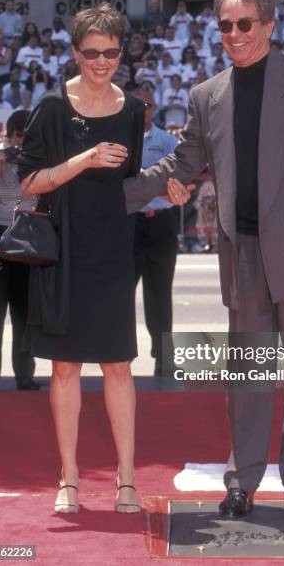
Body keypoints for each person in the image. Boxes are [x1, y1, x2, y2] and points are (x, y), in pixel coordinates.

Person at [123, 0, 284, 519]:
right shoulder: (207, 94)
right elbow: (181, 166)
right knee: (249, 380)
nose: (234, 34)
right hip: (245, 254)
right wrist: (113, 194)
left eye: (244, 24)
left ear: (269, 24)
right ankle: (243, 483)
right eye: (225, 25)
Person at [17, 3, 187, 515]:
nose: (101, 61)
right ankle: (68, 478)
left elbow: (128, 188)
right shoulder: (50, 106)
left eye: (110, 52)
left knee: (119, 366)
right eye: (91, 52)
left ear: (122, 53)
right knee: (65, 368)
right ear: (74, 52)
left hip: (115, 250)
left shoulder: (133, 111)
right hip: (64, 249)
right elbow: (28, 184)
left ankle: (127, 480)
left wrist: (165, 193)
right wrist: (83, 160)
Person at [0, 110, 39, 392]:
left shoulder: (38, 161)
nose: (21, 144)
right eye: (18, 138)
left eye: (27, 138)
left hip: (27, 236)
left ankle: (24, 374)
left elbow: (37, 196)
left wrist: (27, 165)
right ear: (8, 136)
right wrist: (0, 169)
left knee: (24, 313)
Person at [131, 89, 180, 377]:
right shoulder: (119, 140)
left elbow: (179, 178)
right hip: (129, 224)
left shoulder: (167, 141)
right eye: (136, 105)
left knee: (159, 293)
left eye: (146, 105)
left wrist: (143, 180)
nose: (142, 110)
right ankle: (119, 356)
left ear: (155, 107)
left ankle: (163, 356)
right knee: (122, 292)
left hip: (161, 220)